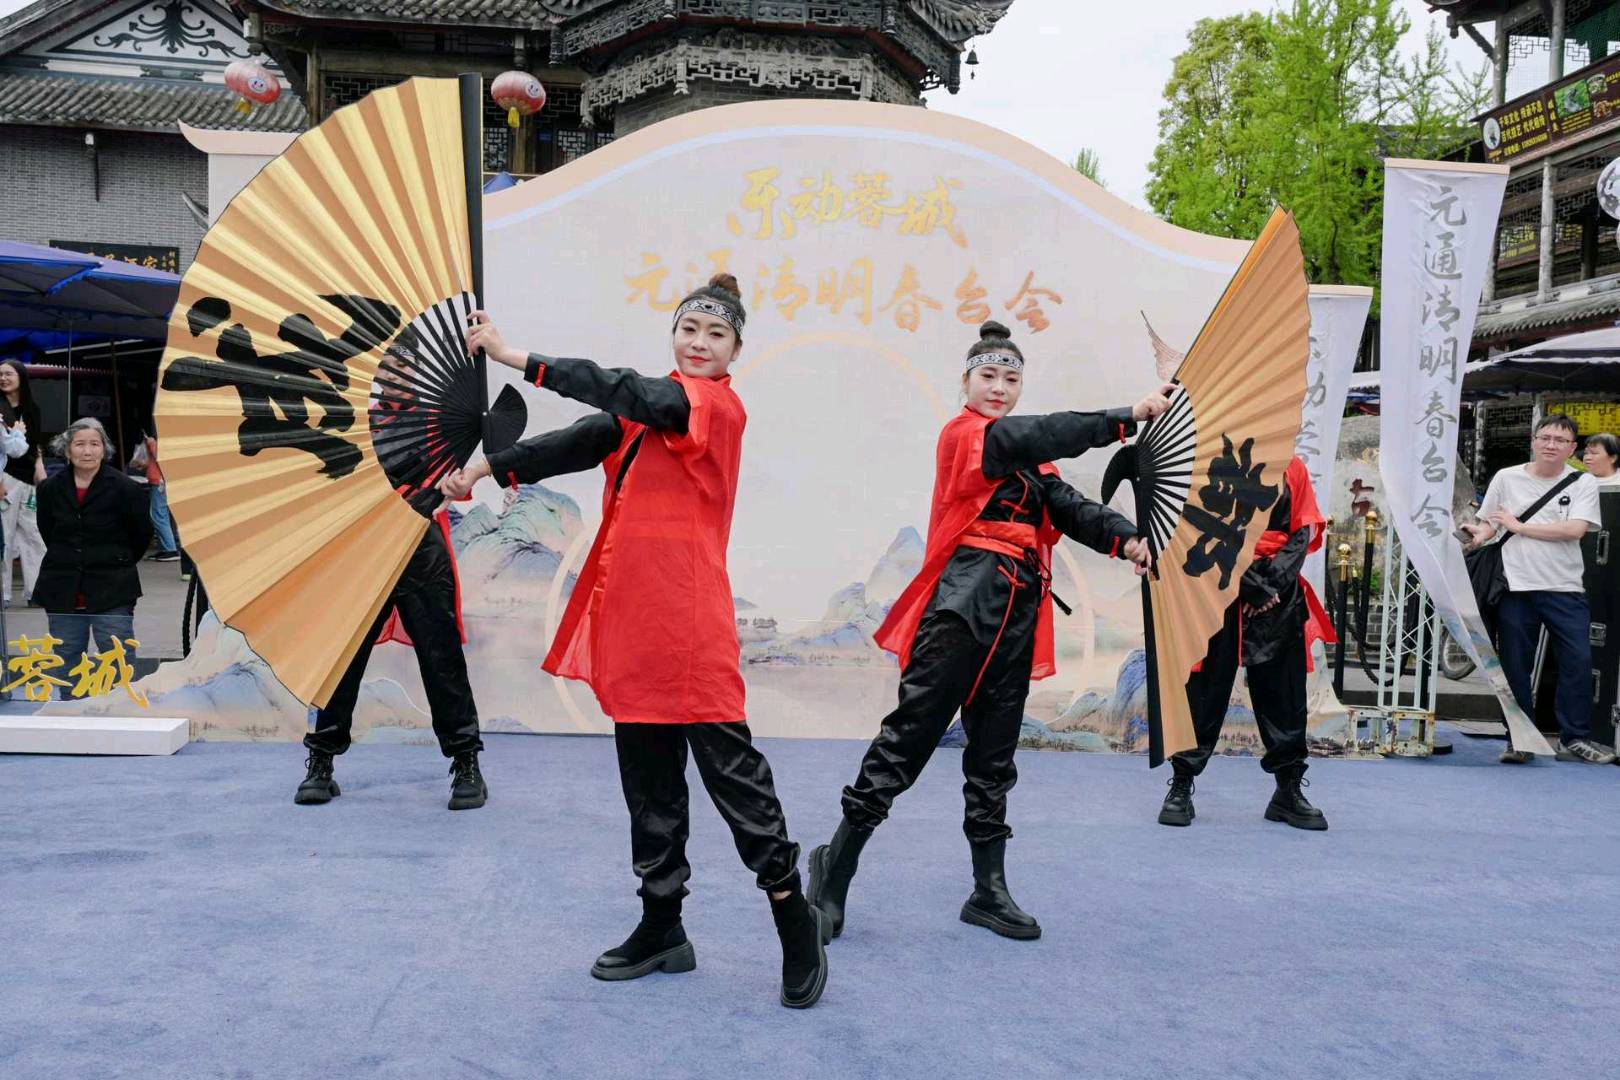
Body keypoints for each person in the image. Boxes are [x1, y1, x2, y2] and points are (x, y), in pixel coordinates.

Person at [438, 273, 829, 1009]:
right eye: (689, 329)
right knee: (648, 781)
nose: (699, 342)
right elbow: (573, 441)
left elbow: (617, 387)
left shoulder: (709, 406)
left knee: (734, 779)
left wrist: (516, 357)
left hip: (690, 620)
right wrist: (481, 469)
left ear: (735, 350)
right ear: (674, 335)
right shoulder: (644, 412)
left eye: (716, 334)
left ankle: (793, 919)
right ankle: (662, 926)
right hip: (635, 618)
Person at [806, 321, 1164, 945]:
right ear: (966, 383)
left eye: (1011, 378)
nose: (999, 387)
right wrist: (1123, 418)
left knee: (995, 754)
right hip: (963, 602)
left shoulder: (1033, 462)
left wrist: (1128, 540)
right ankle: (835, 867)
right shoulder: (968, 436)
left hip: (1018, 607)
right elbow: (1035, 432)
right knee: (909, 739)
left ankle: (988, 890)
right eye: (988, 376)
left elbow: (1072, 508)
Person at [295, 330, 487, 811]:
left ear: (417, 370)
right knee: (343, 660)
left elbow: (460, 485)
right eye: (389, 367)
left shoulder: (439, 421)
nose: (396, 374)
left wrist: (454, 483)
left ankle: (467, 763)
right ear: (377, 372)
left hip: (421, 548)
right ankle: (321, 761)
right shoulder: (355, 422)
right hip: (365, 549)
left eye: (404, 366)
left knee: (441, 658)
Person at [1158, 456, 1335, 831]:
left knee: (1284, 693)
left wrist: (1270, 583)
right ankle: (1181, 783)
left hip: (1277, 592)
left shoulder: (1292, 465)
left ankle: (1287, 790)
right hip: (1216, 585)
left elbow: (1301, 532)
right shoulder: (1211, 457)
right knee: (1203, 691)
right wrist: (1246, 581)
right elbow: (1196, 525)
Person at [1464, 414, 1611, 764]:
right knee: (1515, 665)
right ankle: (1520, 738)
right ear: (1533, 441)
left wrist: (1519, 526)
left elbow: (1575, 530)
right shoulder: (1506, 477)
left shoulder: (1582, 482)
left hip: (1563, 585)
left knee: (1578, 660)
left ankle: (1574, 738)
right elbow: (1491, 523)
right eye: (1545, 437)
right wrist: (1480, 534)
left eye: (1561, 440)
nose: (1551, 445)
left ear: (1572, 449)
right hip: (1514, 585)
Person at [32, 418, 152, 674]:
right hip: (63, 585)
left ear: (104, 449)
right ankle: (70, 700)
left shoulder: (125, 488)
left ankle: (118, 702)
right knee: (66, 656)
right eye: (80, 444)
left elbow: (141, 535)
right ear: (67, 450)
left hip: (113, 586)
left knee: (116, 656)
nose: (87, 451)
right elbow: (48, 531)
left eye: (94, 444)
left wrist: (116, 559)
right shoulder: (50, 489)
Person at [0, 360, 46, 606]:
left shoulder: (32, 408)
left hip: (28, 480)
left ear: (21, 377)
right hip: (4, 479)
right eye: (0, 374)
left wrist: (40, 470)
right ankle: (4, 594)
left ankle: (35, 591)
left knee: (33, 535)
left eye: (8, 374)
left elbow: (36, 443)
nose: (3, 378)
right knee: (4, 537)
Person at [142, 432, 180, 562]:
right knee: (161, 515)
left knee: (158, 515)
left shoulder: (165, 442)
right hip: (160, 481)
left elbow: (162, 458)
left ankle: (170, 549)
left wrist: (152, 443)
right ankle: (166, 548)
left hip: (160, 482)